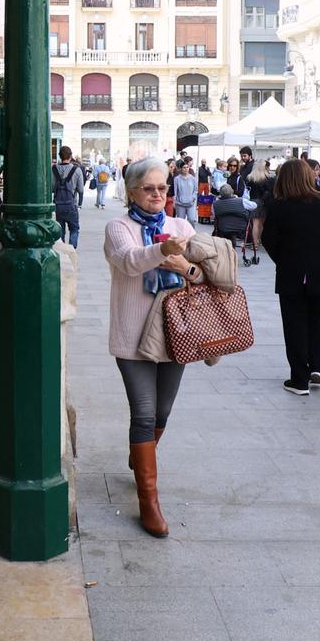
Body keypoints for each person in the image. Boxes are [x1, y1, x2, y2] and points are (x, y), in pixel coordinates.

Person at [105, 158, 205, 538]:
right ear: (132, 191)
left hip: (174, 333)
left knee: (163, 410)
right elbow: (130, 263)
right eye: (149, 189)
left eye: (162, 188)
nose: (158, 195)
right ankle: (149, 502)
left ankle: (139, 454)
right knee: (144, 413)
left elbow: (203, 273)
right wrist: (165, 254)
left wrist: (186, 267)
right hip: (132, 337)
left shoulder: (180, 225)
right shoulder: (120, 227)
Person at [259, 157, 320, 395]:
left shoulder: (280, 206)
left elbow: (268, 239)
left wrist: (284, 258)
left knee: (295, 324)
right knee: (315, 319)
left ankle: (299, 378)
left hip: (292, 274)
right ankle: (316, 366)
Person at [52, 146, 85, 248]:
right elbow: (80, 190)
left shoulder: (53, 169)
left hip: (58, 205)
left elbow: (52, 188)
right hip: (71, 205)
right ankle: (72, 250)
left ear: (59, 156)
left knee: (60, 231)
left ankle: (63, 252)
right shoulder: (77, 170)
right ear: (70, 156)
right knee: (74, 229)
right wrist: (79, 203)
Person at [170, 158, 199, 224]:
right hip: (180, 204)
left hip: (191, 203)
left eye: (187, 167)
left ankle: (192, 233)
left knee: (191, 220)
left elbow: (196, 190)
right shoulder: (177, 179)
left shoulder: (193, 178)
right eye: (184, 167)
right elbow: (175, 191)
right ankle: (181, 234)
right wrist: (175, 201)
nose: (186, 169)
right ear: (181, 169)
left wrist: (193, 197)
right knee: (180, 222)